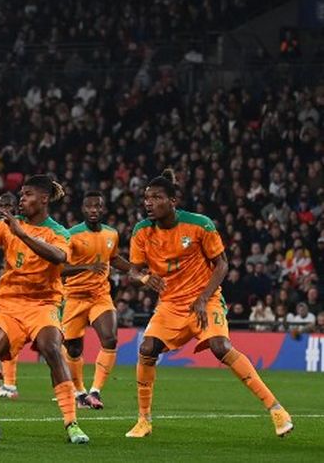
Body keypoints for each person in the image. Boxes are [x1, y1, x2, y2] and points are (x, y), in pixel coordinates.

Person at [125, 169, 293, 438]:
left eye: (156, 197)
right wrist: (145, 278)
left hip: (206, 299)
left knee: (221, 346)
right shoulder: (142, 231)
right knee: (147, 348)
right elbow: (132, 271)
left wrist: (204, 297)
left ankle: (276, 410)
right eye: (146, 198)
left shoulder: (199, 225)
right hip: (170, 304)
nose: (148, 203)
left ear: (172, 201)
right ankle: (144, 420)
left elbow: (222, 264)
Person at [0, 175, 89, 444]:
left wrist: (22, 234)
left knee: (51, 348)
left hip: (43, 305)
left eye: (27, 195)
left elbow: (59, 257)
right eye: (21, 195)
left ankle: (72, 423)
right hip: (10, 305)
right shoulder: (6, 226)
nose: (21, 200)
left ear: (44, 199)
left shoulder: (58, 232)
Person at [62, 191, 133, 410]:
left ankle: (95, 391)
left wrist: (136, 271)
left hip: (100, 296)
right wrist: (87, 267)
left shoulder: (112, 234)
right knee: (73, 349)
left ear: (103, 209)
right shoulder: (70, 235)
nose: (94, 210)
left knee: (110, 339)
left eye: (98, 207)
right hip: (74, 297)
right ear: (83, 210)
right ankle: (80, 392)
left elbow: (114, 258)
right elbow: (59, 267)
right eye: (89, 207)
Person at [0, 192, 20, 400]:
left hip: (34, 295)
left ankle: (75, 388)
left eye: (8, 205)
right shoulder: (1, 228)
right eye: (0, 205)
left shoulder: (20, 228)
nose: (3, 209)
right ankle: (8, 385)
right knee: (5, 339)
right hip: (12, 292)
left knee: (57, 346)